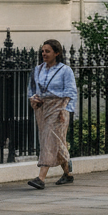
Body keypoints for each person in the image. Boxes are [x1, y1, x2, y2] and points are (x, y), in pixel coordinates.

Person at [27, 39, 78, 189]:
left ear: (57, 53)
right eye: (42, 51)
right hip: (42, 107)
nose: (44, 54)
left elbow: (71, 92)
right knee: (55, 141)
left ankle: (41, 178)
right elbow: (32, 89)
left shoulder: (65, 70)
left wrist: (66, 110)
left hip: (58, 107)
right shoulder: (37, 69)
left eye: (47, 51)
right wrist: (33, 98)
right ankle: (68, 174)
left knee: (49, 140)